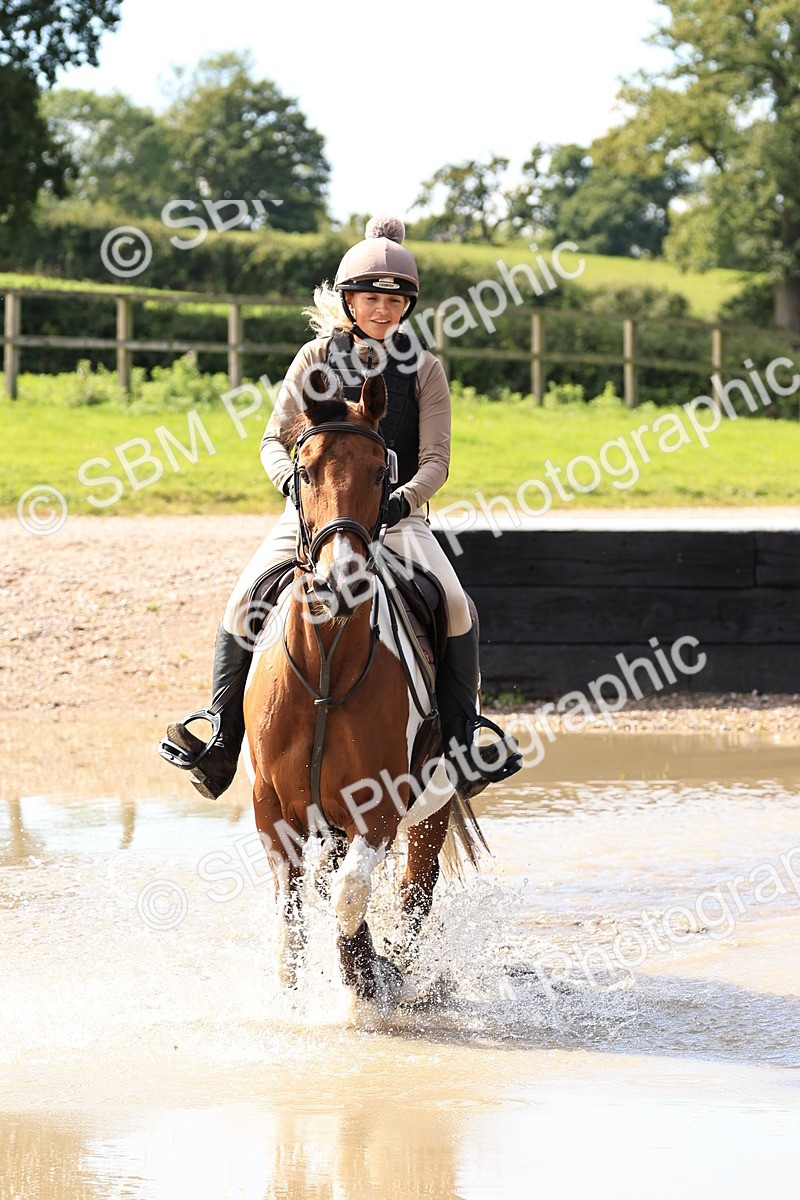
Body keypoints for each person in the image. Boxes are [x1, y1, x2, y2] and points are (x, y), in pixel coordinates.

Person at [160, 215, 522, 801]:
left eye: (395, 301)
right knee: (241, 602)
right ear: (349, 299)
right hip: (312, 516)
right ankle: (223, 739)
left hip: (396, 519)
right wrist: (292, 489)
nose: (383, 310)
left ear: (407, 306)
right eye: (372, 299)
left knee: (457, 607)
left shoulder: (425, 370)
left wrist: (401, 500)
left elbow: (436, 460)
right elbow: (274, 440)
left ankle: (461, 743)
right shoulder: (312, 358)